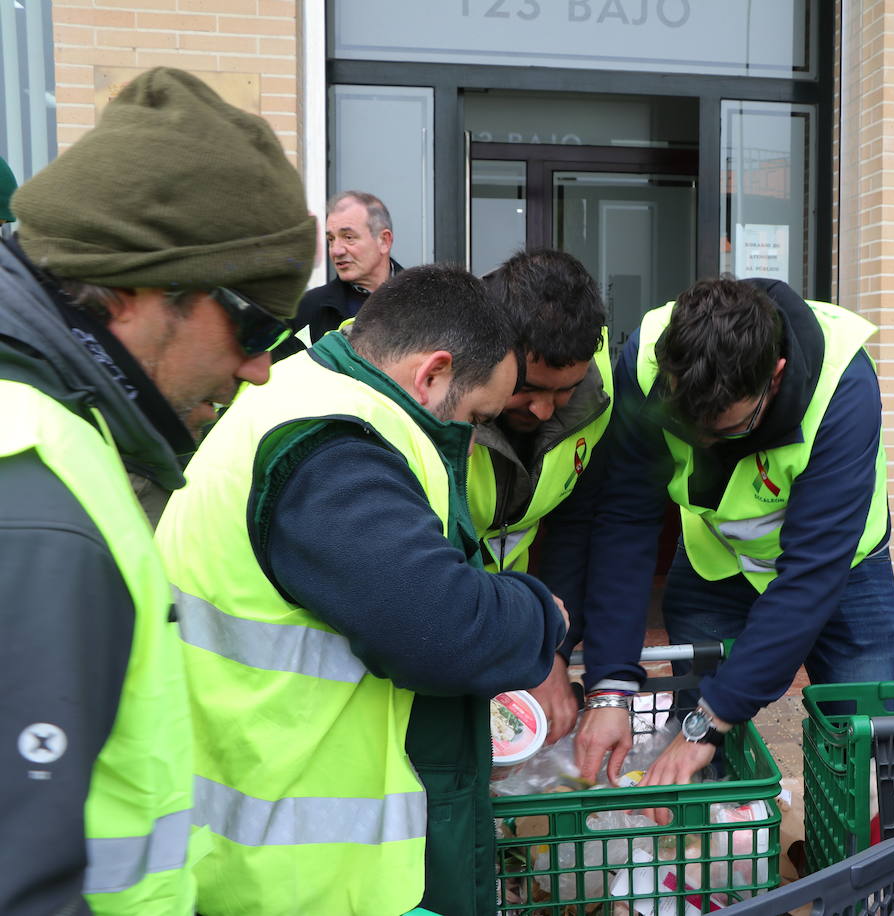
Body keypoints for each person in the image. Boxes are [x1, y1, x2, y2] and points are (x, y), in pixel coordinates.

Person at [155, 263, 568, 916]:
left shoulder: (301, 387)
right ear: (432, 374)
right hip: (300, 873)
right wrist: (542, 615)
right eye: (476, 417)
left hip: (269, 830)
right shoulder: (334, 445)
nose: (473, 437)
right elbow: (439, 626)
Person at [0, 67, 314, 916]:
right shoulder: (35, 490)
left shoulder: (58, 434)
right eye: (255, 325)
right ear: (138, 289)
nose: (259, 368)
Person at [574, 277, 894, 792]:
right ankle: (708, 857)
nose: (703, 442)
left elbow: (810, 578)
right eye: (686, 423)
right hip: (716, 560)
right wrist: (610, 686)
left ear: (775, 375)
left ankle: (852, 865)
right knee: (695, 759)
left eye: (726, 430)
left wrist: (713, 717)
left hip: (841, 572)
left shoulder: (844, 387)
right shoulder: (645, 360)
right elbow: (625, 520)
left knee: (863, 753)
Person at [471, 248, 613, 744]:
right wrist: (528, 640)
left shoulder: (600, 395)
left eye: (566, 389)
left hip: (510, 611)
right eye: (528, 386)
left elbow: (574, 526)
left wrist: (551, 647)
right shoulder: (437, 398)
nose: (545, 408)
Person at [276, 190, 401, 357]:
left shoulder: (425, 301)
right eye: (331, 239)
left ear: (384, 241)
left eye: (348, 237)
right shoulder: (305, 310)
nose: (336, 250)